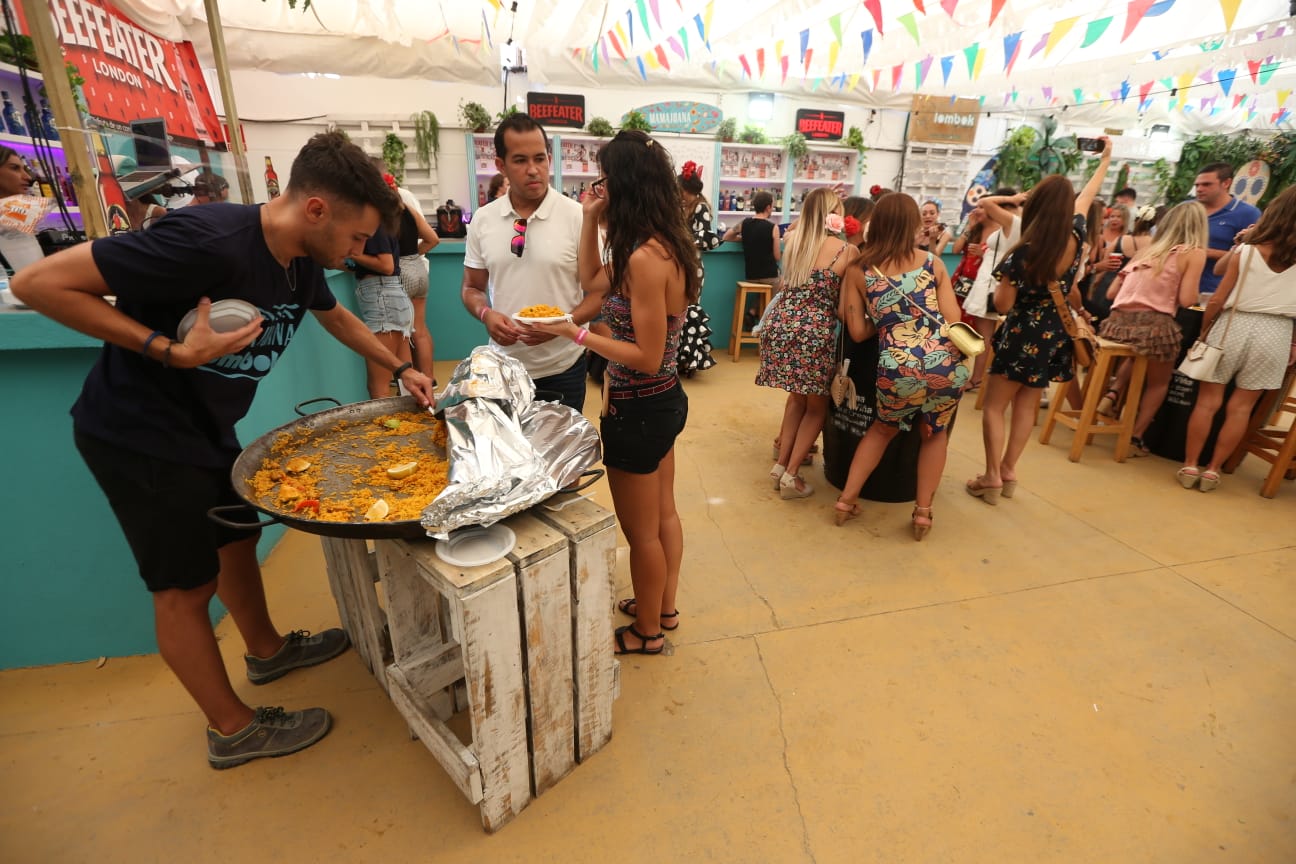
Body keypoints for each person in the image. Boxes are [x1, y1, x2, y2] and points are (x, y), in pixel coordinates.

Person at [10, 131, 435, 769]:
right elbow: (39, 284)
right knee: (184, 586)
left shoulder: (299, 259)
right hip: (140, 434)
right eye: (355, 239)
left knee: (236, 539)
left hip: (207, 428)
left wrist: (399, 369)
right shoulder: (205, 239)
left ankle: (267, 652)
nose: (357, 253)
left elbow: (335, 316)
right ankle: (232, 730)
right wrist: (167, 349)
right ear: (316, 209)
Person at [525, 131, 696, 655]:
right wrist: (591, 219)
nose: (597, 187)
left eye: (602, 179)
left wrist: (574, 334)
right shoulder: (658, 245)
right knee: (663, 514)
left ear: (623, 185)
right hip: (661, 403)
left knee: (642, 532)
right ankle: (660, 607)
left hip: (640, 409)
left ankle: (647, 634)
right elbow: (591, 281)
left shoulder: (646, 259)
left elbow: (645, 354)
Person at [967, 137, 1112, 503]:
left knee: (996, 406)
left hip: (1020, 333)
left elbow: (1002, 305)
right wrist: (1105, 158)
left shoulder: (1022, 253)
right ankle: (1010, 469)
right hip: (1054, 336)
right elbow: (1088, 195)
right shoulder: (1077, 236)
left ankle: (991, 476)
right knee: (1027, 407)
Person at [835, 193, 969, 539]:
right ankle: (923, 514)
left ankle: (846, 501)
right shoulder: (932, 263)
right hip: (944, 365)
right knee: (934, 435)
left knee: (881, 431)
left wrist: (885, 320)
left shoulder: (859, 270)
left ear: (874, 224)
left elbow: (858, 331)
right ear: (913, 225)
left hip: (897, 367)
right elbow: (954, 322)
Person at [461, 113, 598, 411]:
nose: (533, 170)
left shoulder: (578, 217)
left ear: (549, 158)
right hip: (504, 369)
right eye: (521, 160)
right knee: (507, 455)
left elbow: (601, 294)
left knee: (560, 456)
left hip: (563, 366)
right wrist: (486, 313)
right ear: (501, 165)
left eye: (540, 158)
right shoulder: (483, 220)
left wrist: (563, 325)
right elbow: (471, 288)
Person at [1179, 184, 1296, 491]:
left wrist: (1205, 331)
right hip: (1277, 333)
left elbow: (1217, 298)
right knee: (1242, 408)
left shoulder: (1247, 250)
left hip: (1233, 324)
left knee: (1208, 402)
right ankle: (1214, 470)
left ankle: (1191, 465)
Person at [757, 187, 858, 498]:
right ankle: (791, 476)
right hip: (814, 332)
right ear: (834, 214)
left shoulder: (794, 242)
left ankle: (780, 466)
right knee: (817, 408)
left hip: (781, 326)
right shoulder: (846, 251)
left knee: (796, 401)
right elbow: (844, 306)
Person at [1097, 201, 1208, 454]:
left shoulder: (1145, 251)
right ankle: (1135, 436)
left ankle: (1114, 392)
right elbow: (1188, 300)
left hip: (1115, 324)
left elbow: (1113, 292)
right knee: (1159, 382)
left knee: (1139, 351)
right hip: (1155, 324)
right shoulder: (1194, 252)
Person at [961, 188, 1024, 390]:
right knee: (986, 335)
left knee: (985, 336)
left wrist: (1011, 198)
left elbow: (987, 201)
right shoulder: (1015, 225)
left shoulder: (1013, 223)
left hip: (992, 285)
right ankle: (979, 377)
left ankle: (977, 378)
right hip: (989, 281)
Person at [346, 224, 411, 399]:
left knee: (378, 385)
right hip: (394, 294)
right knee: (407, 379)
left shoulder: (374, 226)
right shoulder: (382, 223)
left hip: (381, 296)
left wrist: (352, 253)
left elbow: (386, 265)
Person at [391, 176, 441, 382]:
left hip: (401, 272)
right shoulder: (407, 207)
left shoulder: (382, 213)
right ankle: (429, 380)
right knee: (419, 330)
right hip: (419, 269)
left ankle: (408, 386)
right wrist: (415, 255)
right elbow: (433, 238)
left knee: (403, 334)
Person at [677, 160, 720, 377]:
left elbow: (705, 239)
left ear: (685, 190)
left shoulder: (701, 207)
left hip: (693, 265)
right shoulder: (684, 207)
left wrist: (679, 240)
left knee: (689, 310)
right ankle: (680, 359)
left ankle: (689, 360)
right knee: (678, 309)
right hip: (681, 263)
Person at [1194, 162, 1261, 300]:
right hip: (1175, 290)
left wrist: (1205, 252)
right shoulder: (1187, 208)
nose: (1199, 189)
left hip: (1211, 294)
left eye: (1206, 184)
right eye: (1197, 185)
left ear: (1226, 183)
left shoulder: (1247, 213)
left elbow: (1253, 256)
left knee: (1197, 319)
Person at [1083, 203, 1135, 321]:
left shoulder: (1126, 237)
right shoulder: (1099, 233)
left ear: (1125, 219)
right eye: (1112, 216)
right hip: (1095, 273)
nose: (1114, 219)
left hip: (1110, 275)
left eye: (1119, 216)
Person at [722, 190, 781, 290]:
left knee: (763, 294)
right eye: (772, 206)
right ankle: (765, 306)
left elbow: (726, 237)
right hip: (770, 276)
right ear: (768, 207)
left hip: (751, 276)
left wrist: (746, 238)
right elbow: (777, 257)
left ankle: (756, 306)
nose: (773, 209)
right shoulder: (773, 227)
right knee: (783, 283)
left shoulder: (744, 223)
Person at [950, 207, 987, 322]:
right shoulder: (973, 230)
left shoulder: (996, 232)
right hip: (961, 281)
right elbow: (955, 249)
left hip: (979, 283)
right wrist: (969, 227)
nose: (977, 211)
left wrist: (982, 254)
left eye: (982, 207)